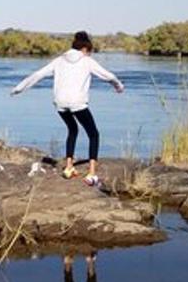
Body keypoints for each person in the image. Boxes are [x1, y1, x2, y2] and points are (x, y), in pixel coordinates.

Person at [10, 31, 124, 186]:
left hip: (60, 104)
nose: (89, 53)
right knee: (93, 134)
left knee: (73, 129)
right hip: (77, 103)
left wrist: (18, 89)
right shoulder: (87, 61)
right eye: (89, 50)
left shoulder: (59, 60)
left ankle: (69, 167)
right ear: (85, 48)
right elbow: (108, 76)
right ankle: (91, 174)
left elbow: (38, 74)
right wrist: (118, 86)